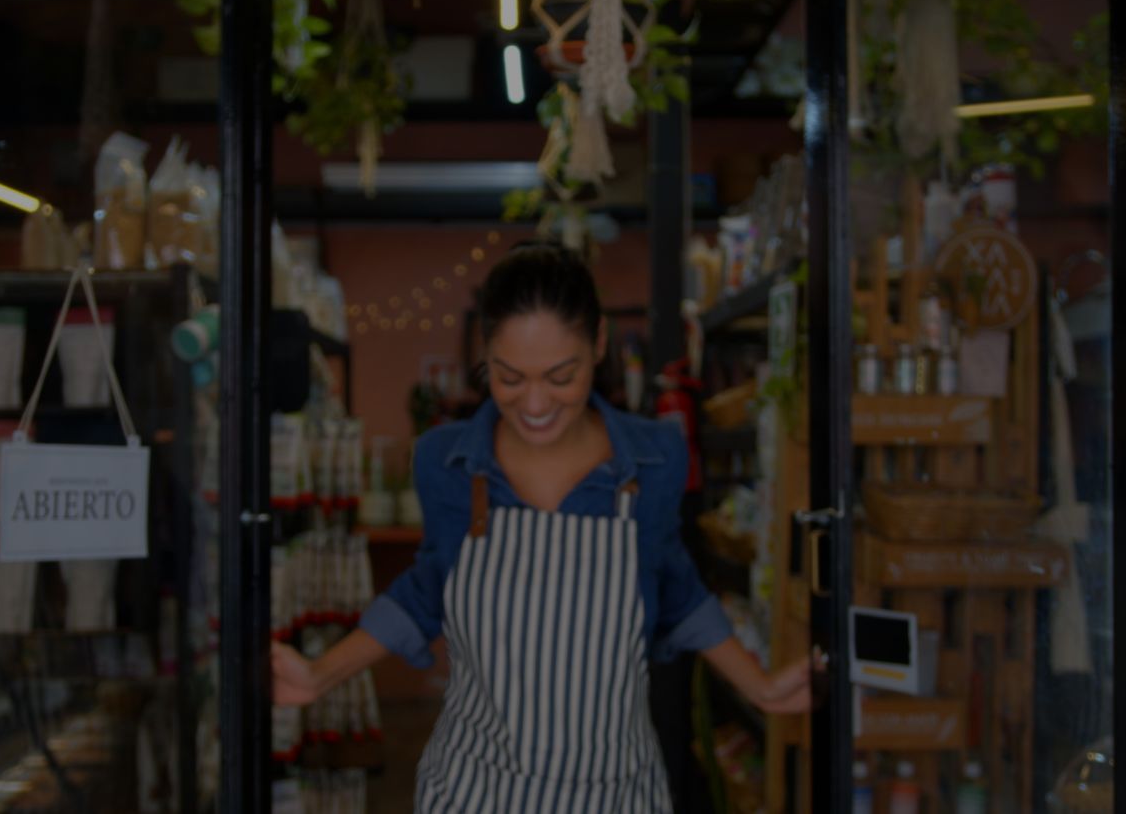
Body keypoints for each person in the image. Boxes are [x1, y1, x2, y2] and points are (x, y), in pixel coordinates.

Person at [272, 241, 812, 812]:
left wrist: (760, 686)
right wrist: (319, 675)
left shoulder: (653, 459)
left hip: (615, 795)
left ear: (598, 343)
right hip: (476, 792)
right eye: (509, 377)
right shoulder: (447, 462)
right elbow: (428, 587)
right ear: (486, 355)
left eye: (561, 376)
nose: (534, 404)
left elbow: (675, 587)